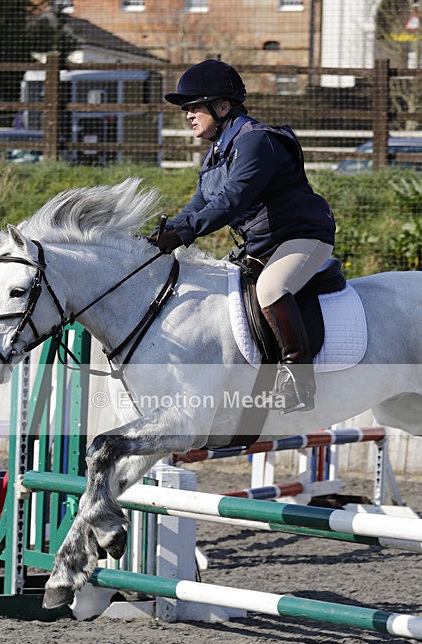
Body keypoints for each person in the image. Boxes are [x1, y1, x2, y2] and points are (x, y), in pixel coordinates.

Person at [156, 59, 336, 414]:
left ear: (222, 106)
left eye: (194, 107)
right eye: (186, 109)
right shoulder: (215, 153)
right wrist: (162, 235)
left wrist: (183, 236)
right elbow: (199, 204)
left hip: (302, 238)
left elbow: (232, 199)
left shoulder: (256, 142)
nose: (188, 115)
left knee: (271, 288)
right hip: (262, 245)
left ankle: (299, 381)